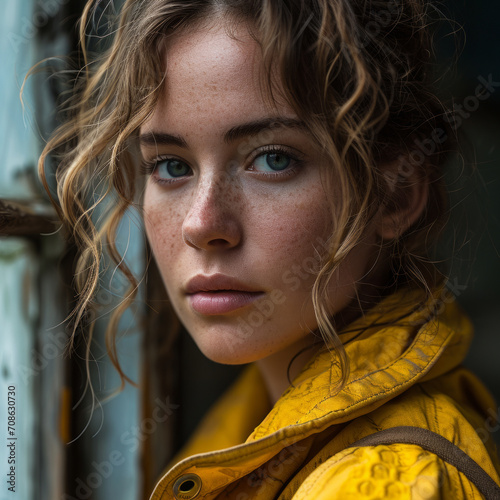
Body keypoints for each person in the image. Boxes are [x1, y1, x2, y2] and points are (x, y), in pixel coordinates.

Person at [37, 0, 500, 498]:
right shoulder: (255, 415)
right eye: (171, 166)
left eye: (273, 159)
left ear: (397, 193)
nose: (202, 225)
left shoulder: (383, 482)